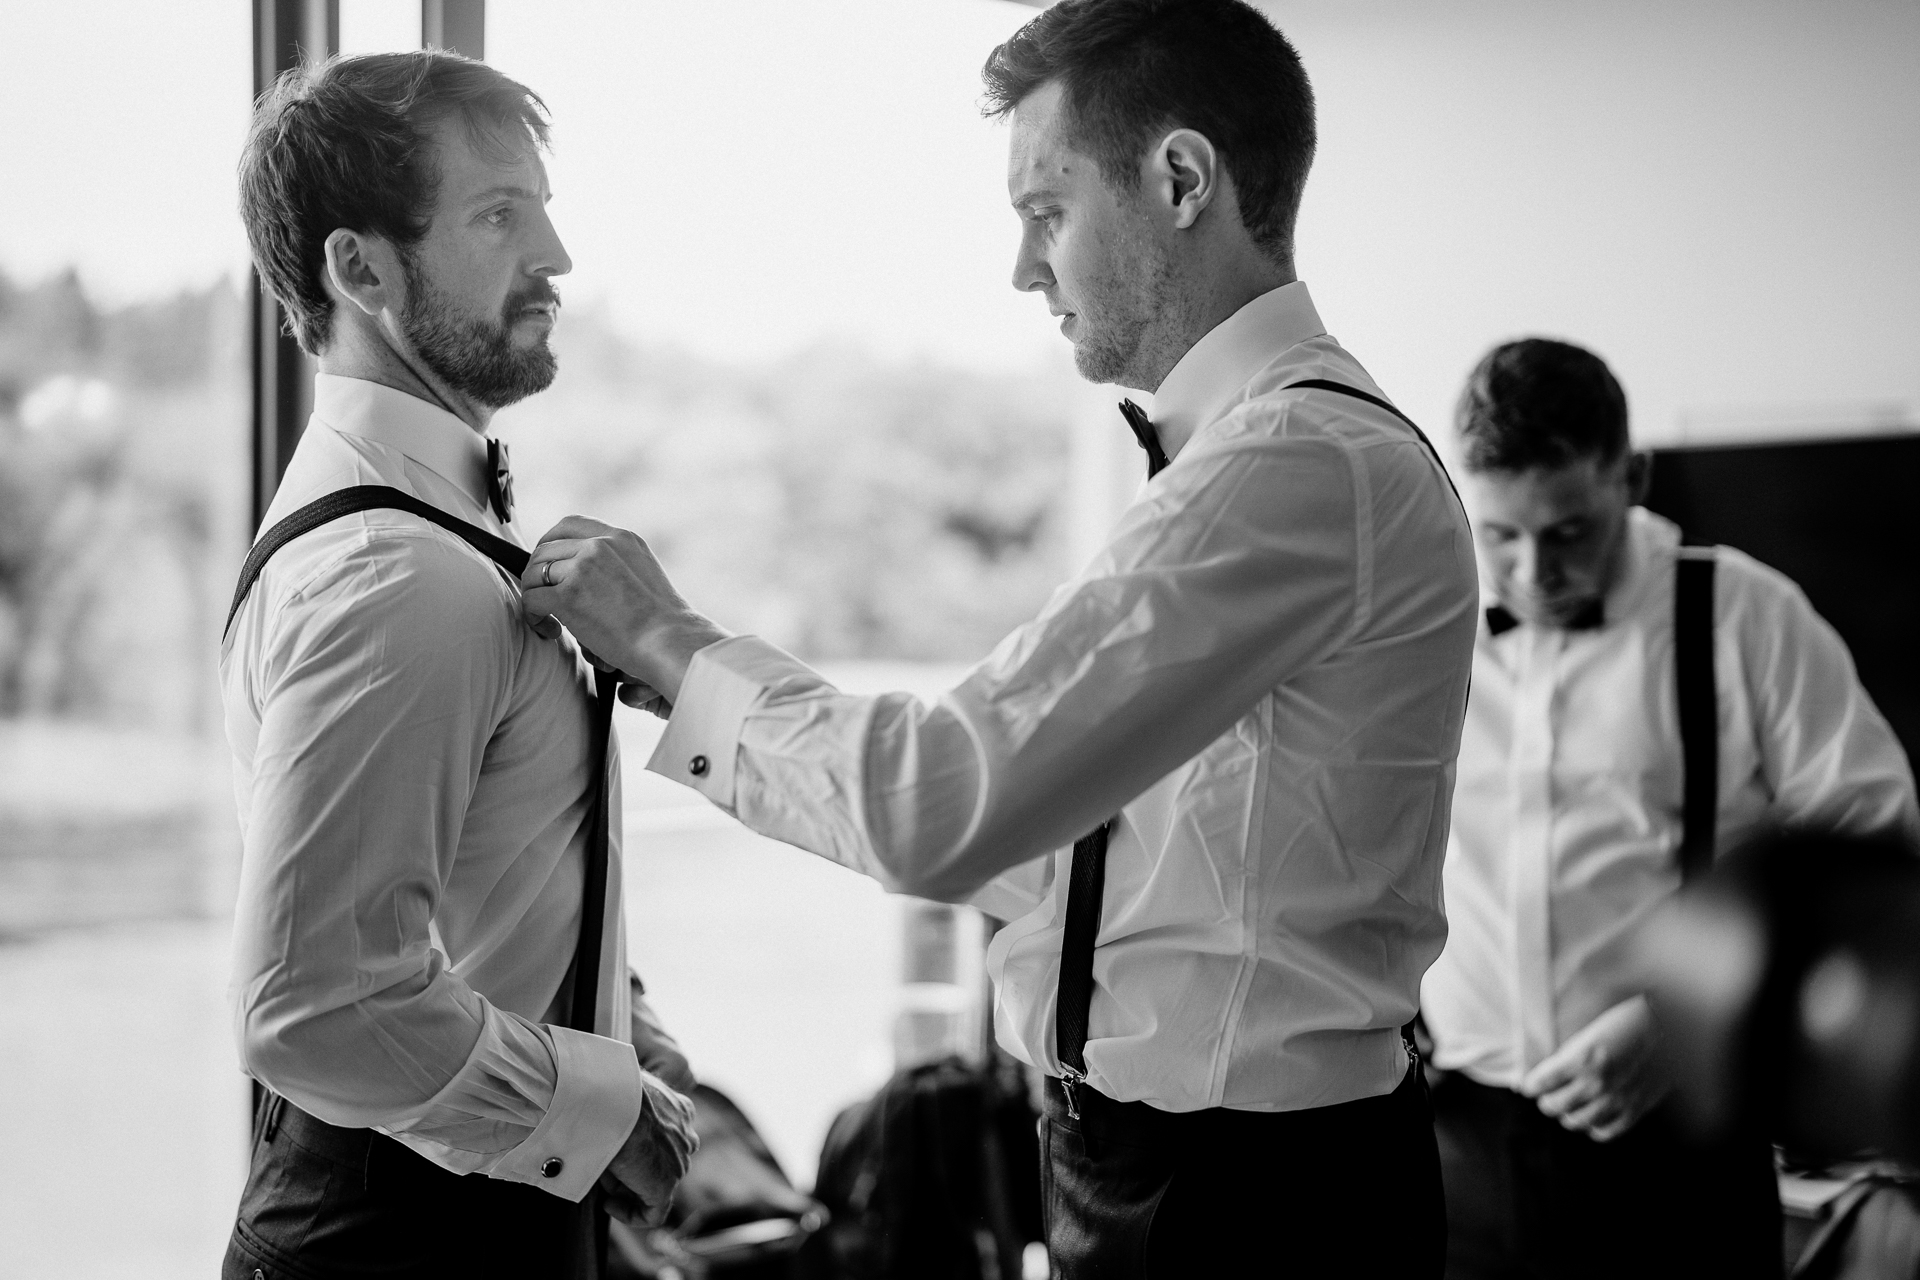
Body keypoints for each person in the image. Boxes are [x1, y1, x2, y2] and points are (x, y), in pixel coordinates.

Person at [521, 1, 1478, 1275]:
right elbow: (1064, 846)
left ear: (1181, 178)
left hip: (1246, 1205)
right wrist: (698, 691)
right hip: (1186, 1172)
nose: (1025, 269)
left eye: (1046, 212)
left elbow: (944, 805)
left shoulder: (1297, 463)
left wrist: (676, 638)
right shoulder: (1259, 462)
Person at [222, 52, 697, 1280]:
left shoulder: (439, 533)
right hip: (399, 1240)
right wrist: (606, 1105)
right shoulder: (400, 572)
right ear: (359, 268)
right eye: (500, 214)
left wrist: (623, 1025)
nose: (557, 254)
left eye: (540, 206)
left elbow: (492, 876)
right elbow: (317, 1001)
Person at [1420, 337, 1920, 1279]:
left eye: (1567, 531)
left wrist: (1675, 1015)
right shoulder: (1424, 627)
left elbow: (1873, 840)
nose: (1531, 571)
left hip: (1683, 1142)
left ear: (1631, 477)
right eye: (1500, 536)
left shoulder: (1744, 616)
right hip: (1464, 1149)